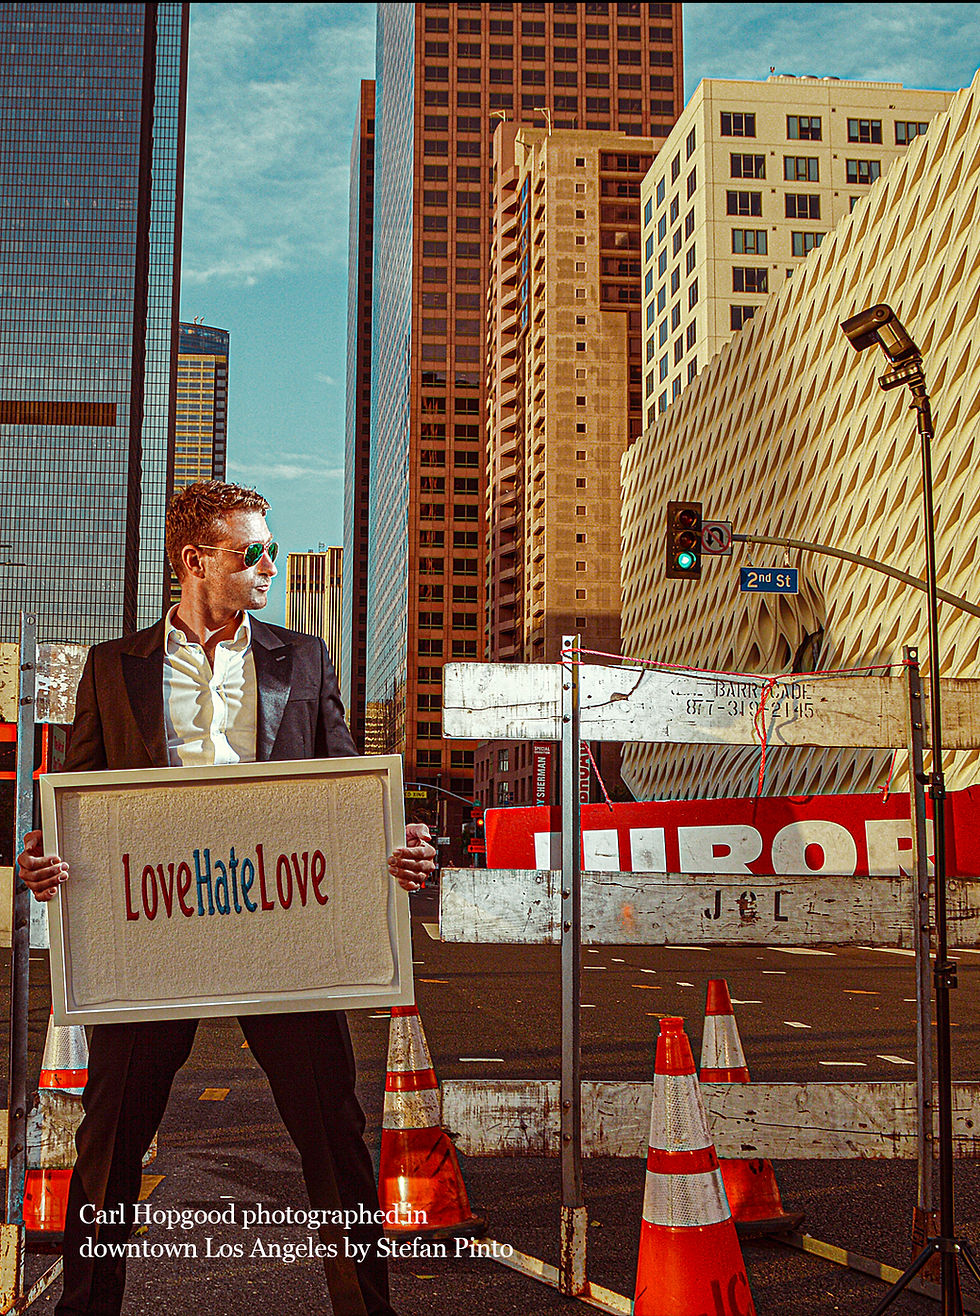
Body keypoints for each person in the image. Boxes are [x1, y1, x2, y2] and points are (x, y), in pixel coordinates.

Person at [17, 480, 435, 1316]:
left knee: (333, 1135)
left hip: (282, 933)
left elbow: (349, 788)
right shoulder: (113, 666)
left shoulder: (304, 659)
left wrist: (398, 845)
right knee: (109, 1143)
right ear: (195, 559)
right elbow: (74, 800)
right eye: (254, 552)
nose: (270, 565)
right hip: (153, 939)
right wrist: (41, 855)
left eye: (271, 549)